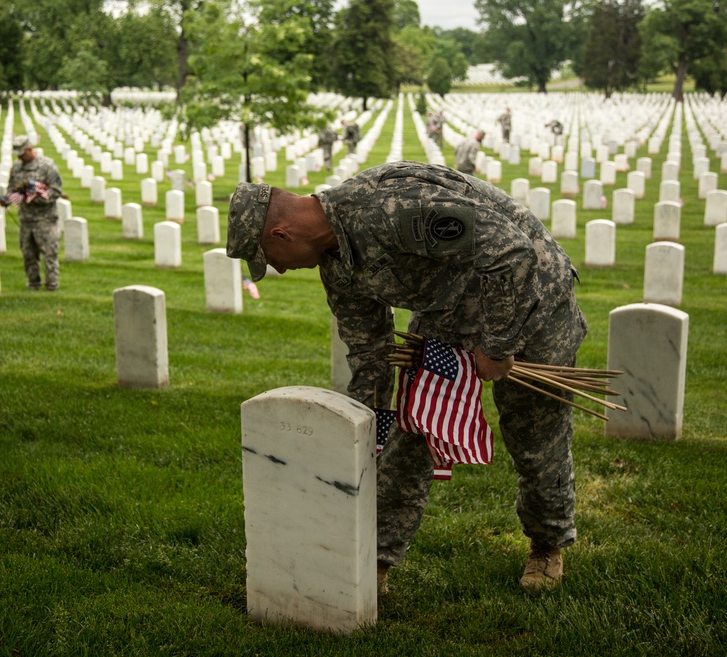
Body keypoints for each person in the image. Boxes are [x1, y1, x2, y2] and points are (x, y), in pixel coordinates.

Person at [225, 161, 587, 594]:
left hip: (534, 294)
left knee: (534, 433)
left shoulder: (392, 211)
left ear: (280, 235)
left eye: (271, 261)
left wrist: (497, 346)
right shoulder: (336, 267)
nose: (280, 271)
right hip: (450, 309)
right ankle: (375, 558)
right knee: (410, 428)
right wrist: (366, 430)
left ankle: (547, 544)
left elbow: (511, 254)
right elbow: (369, 354)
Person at [2, 136, 64, 291]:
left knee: (50, 254)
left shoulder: (47, 166)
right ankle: (33, 284)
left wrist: (35, 197)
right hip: (26, 219)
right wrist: (8, 199)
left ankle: (52, 285)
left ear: (30, 149)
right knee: (28, 255)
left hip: (45, 219)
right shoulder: (16, 167)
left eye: (22, 153)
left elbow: (56, 190)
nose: (20, 157)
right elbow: (12, 188)